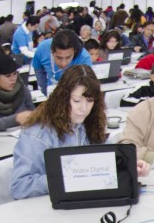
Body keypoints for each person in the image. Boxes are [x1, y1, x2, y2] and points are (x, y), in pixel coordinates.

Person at [11, 66, 124, 198]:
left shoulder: (89, 123)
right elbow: (20, 187)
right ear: (62, 98)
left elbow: (106, 155)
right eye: (76, 101)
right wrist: (67, 178)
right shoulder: (37, 134)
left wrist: (124, 164)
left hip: (81, 199)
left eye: (90, 101)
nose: (84, 108)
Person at [31, 29, 92, 95]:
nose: (63, 63)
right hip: (51, 89)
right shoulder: (42, 48)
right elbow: (38, 70)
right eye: (59, 57)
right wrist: (44, 91)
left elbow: (85, 87)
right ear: (52, 51)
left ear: (74, 51)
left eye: (68, 57)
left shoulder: (84, 58)